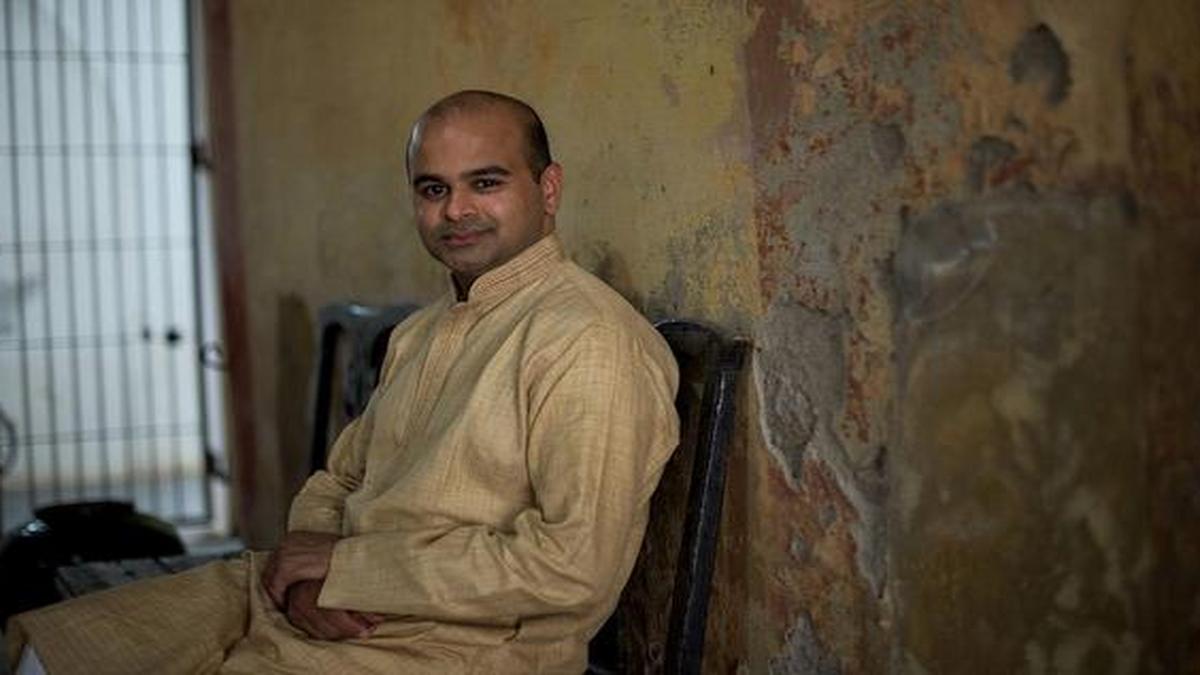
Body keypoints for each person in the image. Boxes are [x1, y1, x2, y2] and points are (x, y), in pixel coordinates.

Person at [5, 90, 679, 674]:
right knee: (53, 648)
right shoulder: (423, 331)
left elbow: (570, 566)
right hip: (310, 599)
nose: (455, 210)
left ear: (548, 189)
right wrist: (306, 579)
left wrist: (347, 571)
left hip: (445, 645)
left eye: (486, 182)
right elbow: (339, 481)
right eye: (433, 189)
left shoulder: (587, 340)